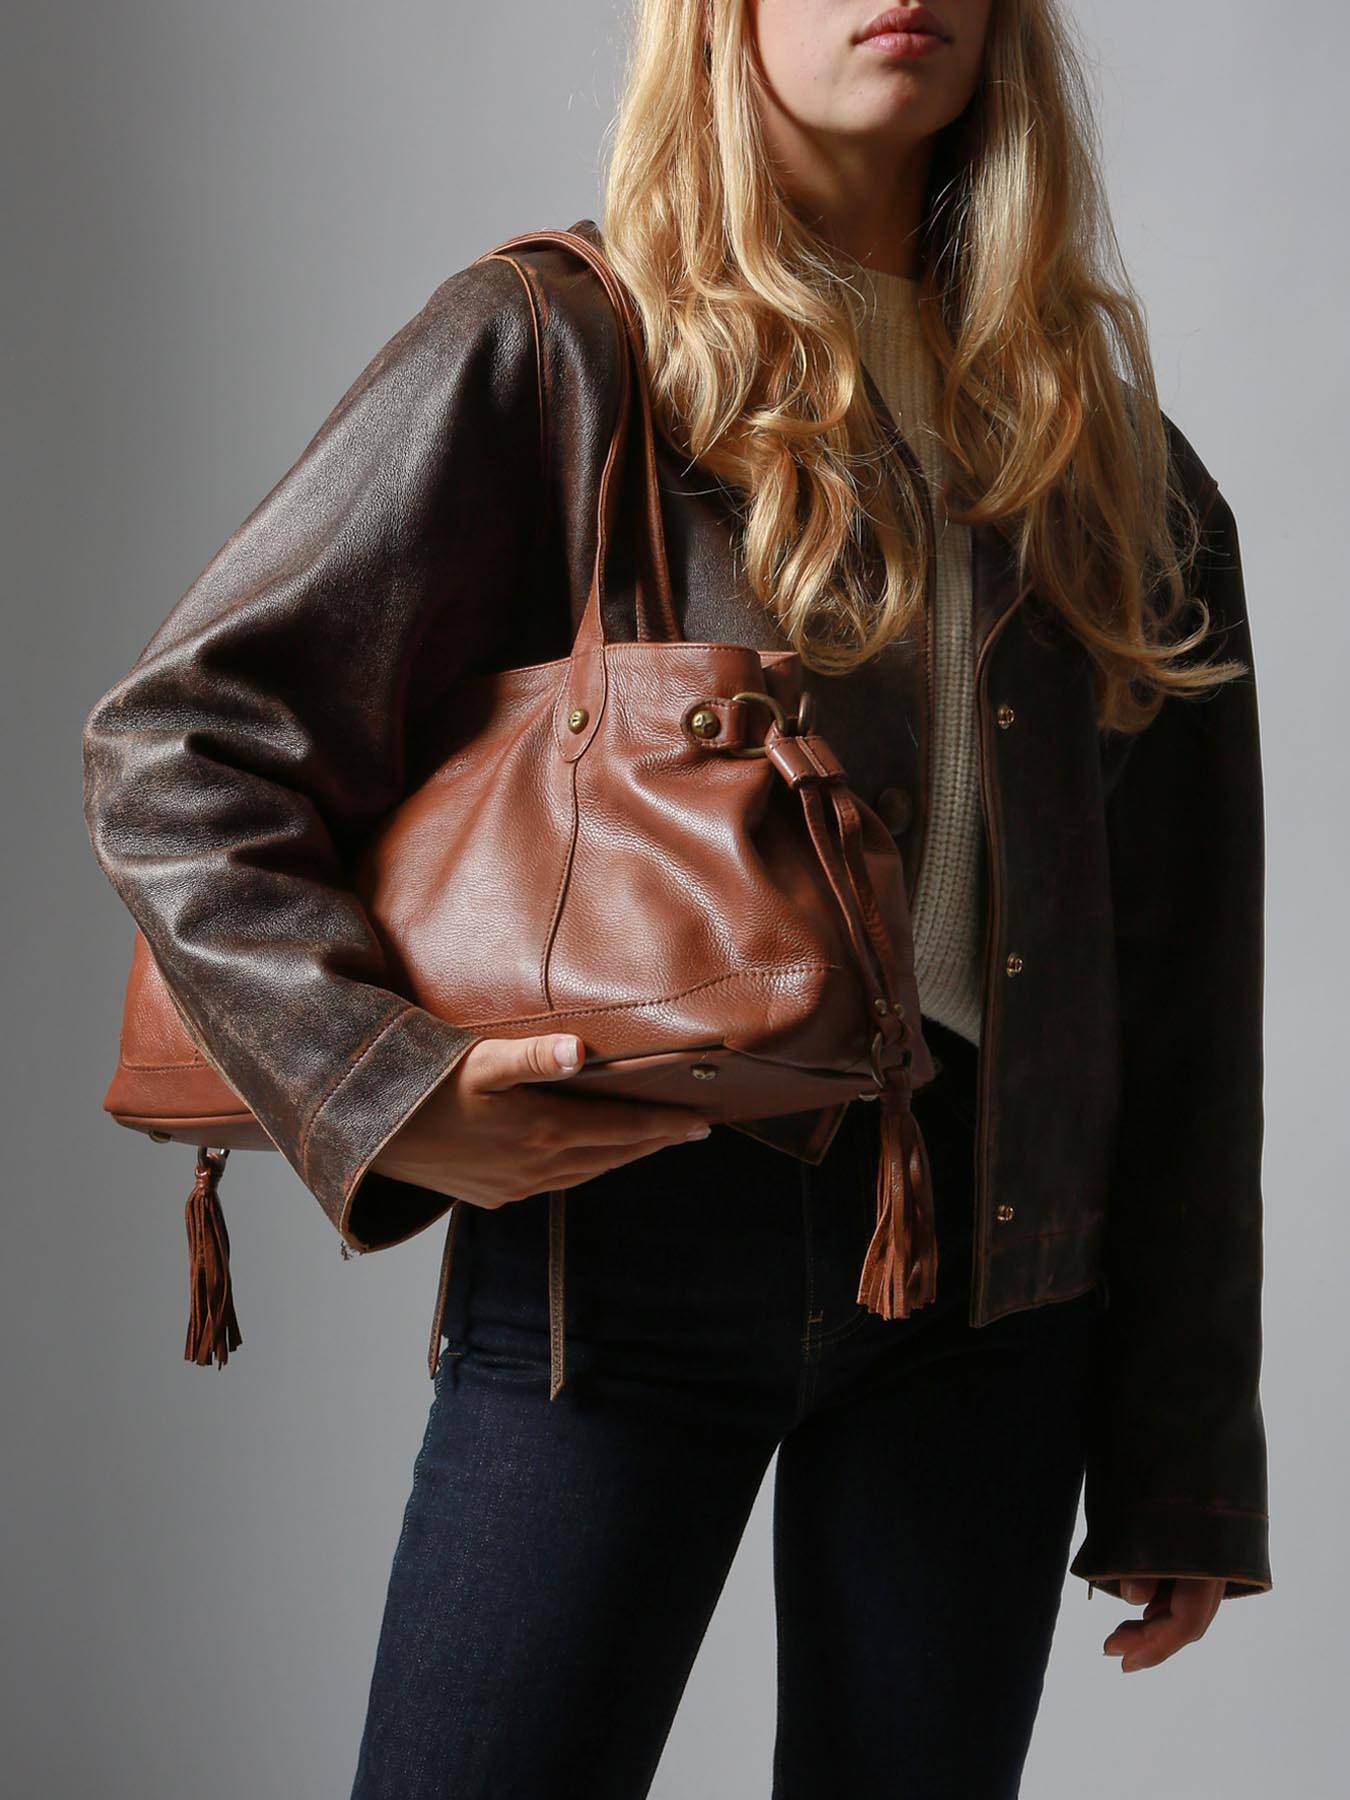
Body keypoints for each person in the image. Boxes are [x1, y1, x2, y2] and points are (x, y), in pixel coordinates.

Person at [81, 3, 1272, 1795]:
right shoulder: (559, 344)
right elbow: (181, 744)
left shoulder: (1110, 463)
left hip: (999, 1293)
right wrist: (382, 1088)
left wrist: (1181, 1453)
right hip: (622, 1244)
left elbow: (1182, 990)